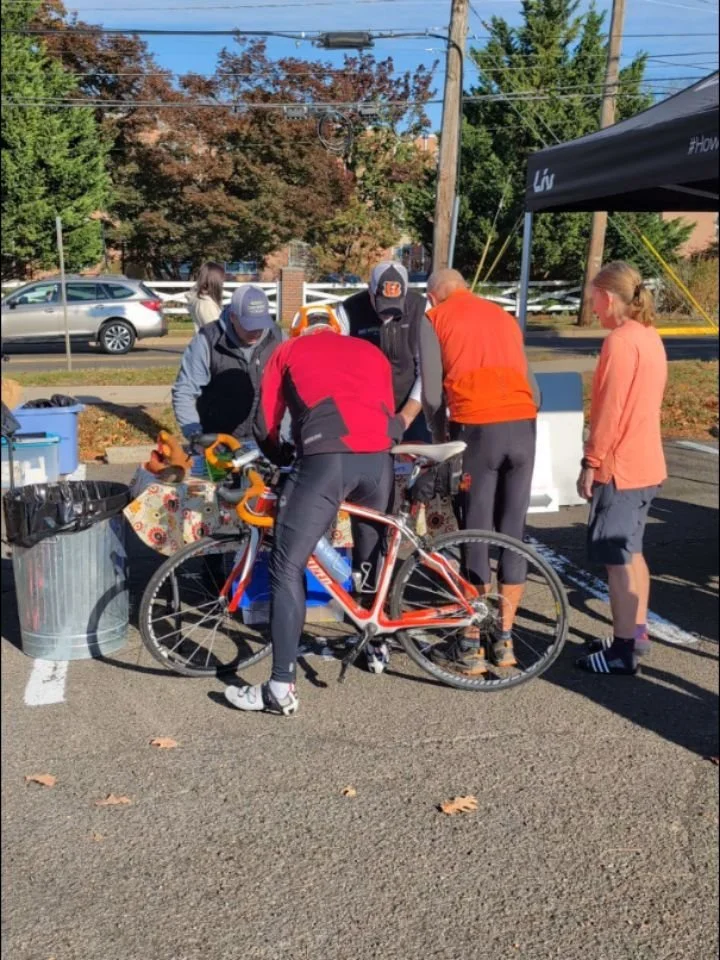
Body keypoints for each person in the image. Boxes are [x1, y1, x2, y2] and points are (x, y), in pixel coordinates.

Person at [224, 307, 403, 716]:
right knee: (369, 553)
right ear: (338, 328)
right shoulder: (369, 350)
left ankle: (280, 688)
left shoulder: (287, 351)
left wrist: (280, 454)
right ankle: (375, 644)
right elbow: (384, 409)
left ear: (298, 330)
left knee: (287, 565)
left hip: (326, 457)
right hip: (379, 459)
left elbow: (266, 422)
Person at [419, 268, 540, 675]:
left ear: (433, 296)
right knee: (512, 531)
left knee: (475, 532)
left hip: (477, 429)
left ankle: (470, 643)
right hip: (523, 427)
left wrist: (442, 440)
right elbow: (533, 388)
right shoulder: (503, 317)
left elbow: (432, 394)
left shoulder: (435, 319)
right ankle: (504, 639)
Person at [575, 262, 667, 676]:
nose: (592, 307)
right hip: (648, 461)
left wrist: (590, 462)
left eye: (594, 298)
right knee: (633, 553)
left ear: (609, 298)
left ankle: (623, 650)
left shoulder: (619, 341)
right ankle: (636, 631)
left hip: (621, 466)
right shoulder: (650, 337)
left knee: (617, 561)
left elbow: (609, 412)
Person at [171, 284, 282, 444]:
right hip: (218, 440)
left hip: (266, 440)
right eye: (249, 325)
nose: (256, 332)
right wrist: (195, 434)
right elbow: (185, 391)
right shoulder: (207, 340)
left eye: (260, 324)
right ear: (232, 316)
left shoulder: (277, 338)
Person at [336, 261, 429, 441]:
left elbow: (427, 371)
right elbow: (340, 368)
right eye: (382, 303)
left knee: (415, 459)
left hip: (412, 403)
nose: (388, 314)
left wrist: (407, 416)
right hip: (363, 406)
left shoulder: (421, 309)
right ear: (370, 289)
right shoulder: (347, 310)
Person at [185, 261, 225, 332]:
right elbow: (215, 332)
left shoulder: (199, 298)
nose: (222, 282)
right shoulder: (206, 303)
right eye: (221, 279)